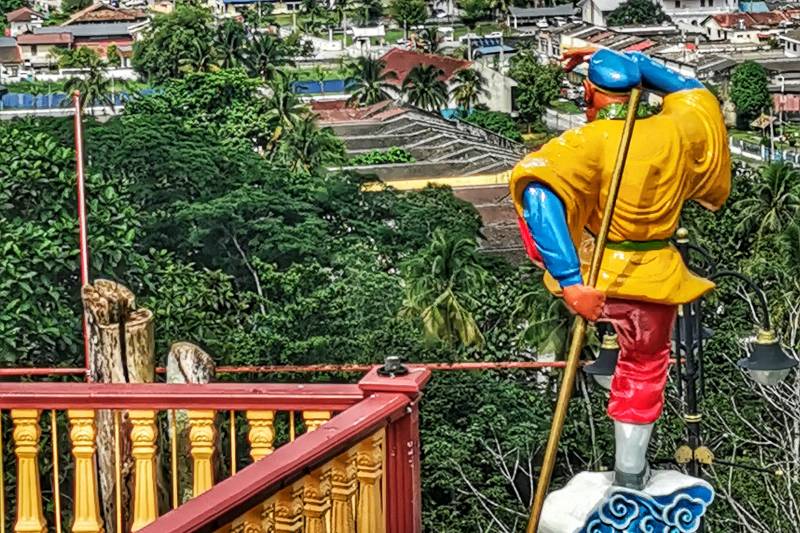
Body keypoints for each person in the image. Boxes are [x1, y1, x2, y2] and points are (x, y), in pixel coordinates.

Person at [510, 48, 730, 490]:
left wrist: (571, 282)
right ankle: (631, 471)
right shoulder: (679, 131)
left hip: (601, 275)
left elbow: (538, 195)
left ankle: (623, 475)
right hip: (657, 275)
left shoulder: (585, 142)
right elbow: (694, 93)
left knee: (626, 363)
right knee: (646, 366)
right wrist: (635, 63)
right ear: (639, 94)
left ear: (590, 93)